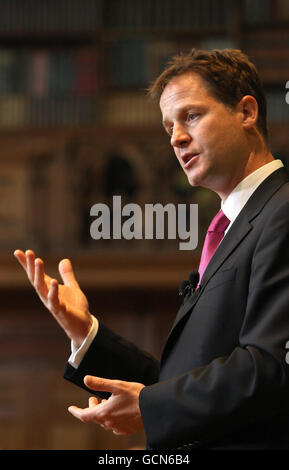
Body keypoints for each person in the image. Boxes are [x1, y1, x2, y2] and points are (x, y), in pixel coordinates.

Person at [14, 49, 289, 450]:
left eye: (191, 116)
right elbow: (182, 381)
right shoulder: (229, 227)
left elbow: (271, 366)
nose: (176, 137)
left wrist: (150, 405)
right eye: (168, 127)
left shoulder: (281, 212)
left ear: (246, 112)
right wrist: (86, 332)